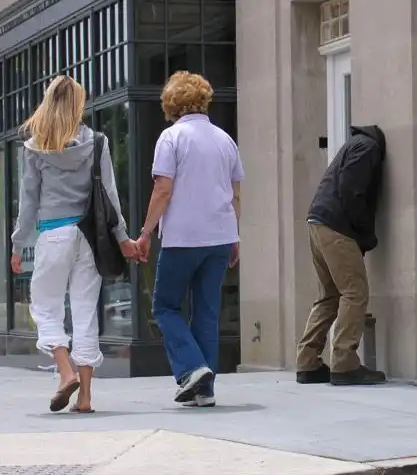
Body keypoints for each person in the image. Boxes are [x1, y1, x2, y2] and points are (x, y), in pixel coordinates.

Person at [10, 75, 138, 413]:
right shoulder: (97, 142)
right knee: (85, 311)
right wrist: (123, 238)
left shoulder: (35, 147)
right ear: (78, 104)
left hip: (54, 235)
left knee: (45, 306)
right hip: (89, 238)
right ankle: (85, 398)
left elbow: (28, 203)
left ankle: (66, 372)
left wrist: (17, 245)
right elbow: (110, 197)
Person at [136, 71, 243, 407]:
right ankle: (205, 391)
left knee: (165, 306)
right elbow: (236, 194)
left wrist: (145, 232)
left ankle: (192, 368)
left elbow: (162, 189)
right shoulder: (225, 140)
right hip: (220, 236)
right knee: (207, 312)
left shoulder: (171, 138)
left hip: (183, 237)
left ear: (172, 103)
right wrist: (235, 236)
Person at [296, 125, 387, 386]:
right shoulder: (368, 148)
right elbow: (351, 191)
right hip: (336, 225)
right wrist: (365, 234)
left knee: (329, 295)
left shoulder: (355, 145)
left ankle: (308, 361)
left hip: (319, 222)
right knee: (355, 292)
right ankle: (345, 362)